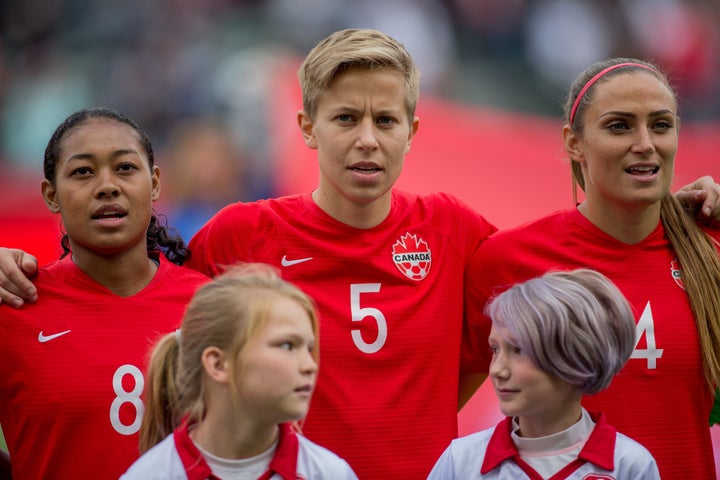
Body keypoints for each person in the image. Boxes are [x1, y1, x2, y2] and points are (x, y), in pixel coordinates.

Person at [0, 31, 719, 480]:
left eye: (385, 119)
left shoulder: (457, 231)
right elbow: (135, 300)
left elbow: (503, 334)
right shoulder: (240, 236)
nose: (366, 139)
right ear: (308, 128)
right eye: (345, 119)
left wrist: (679, 215)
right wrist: (22, 266)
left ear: (414, 127)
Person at [463, 58, 720, 479]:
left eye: (660, 125)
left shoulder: (710, 250)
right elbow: (442, 406)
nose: (645, 143)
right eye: (620, 126)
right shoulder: (508, 259)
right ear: (573, 142)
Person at [0, 107, 209, 479]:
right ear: (51, 195)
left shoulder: (211, 308)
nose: (107, 185)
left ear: (156, 182)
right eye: (83, 172)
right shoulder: (15, 307)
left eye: (125, 167)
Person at [120, 263, 358, 479]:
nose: (310, 365)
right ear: (218, 364)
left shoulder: (329, 473)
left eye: (309, 348)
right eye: (287, 345)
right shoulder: (151, 474)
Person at [430, 269, 660, 479]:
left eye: (518, 350)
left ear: (575, 356)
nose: (497, 370)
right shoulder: (461, 462)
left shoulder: (629, 465)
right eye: (494, 349)